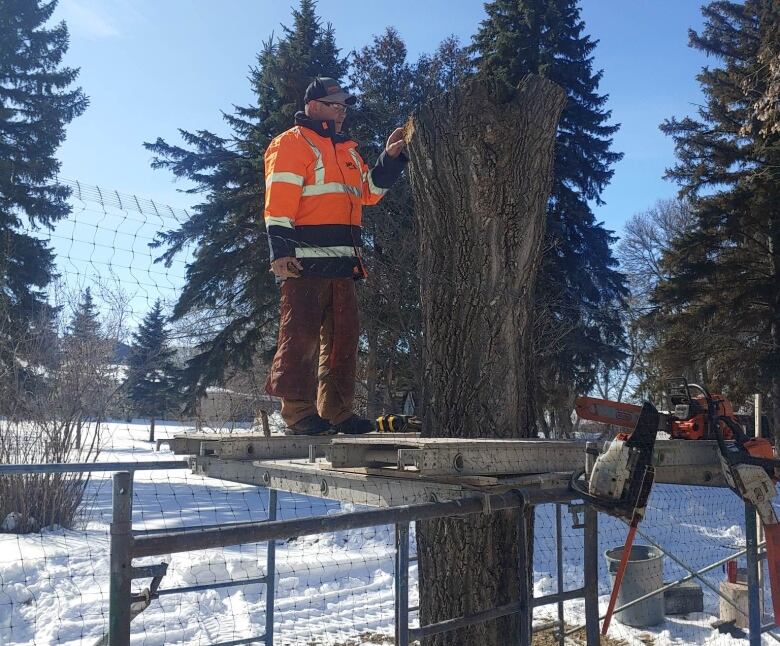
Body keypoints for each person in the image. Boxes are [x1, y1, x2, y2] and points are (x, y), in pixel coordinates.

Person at [263, 77, 407, 435]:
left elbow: (368, 193)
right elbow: (278, 203)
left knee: (344, 339)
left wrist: (389, 159)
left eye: (344, 106)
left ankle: (338, 412)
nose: (342, 112)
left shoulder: (347, 150)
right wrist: (281, 252)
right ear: (313, 106)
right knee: (300, 338)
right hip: (303, 263)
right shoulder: (291, 143)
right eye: (335, 105)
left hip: (343, 264)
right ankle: (298, 413)